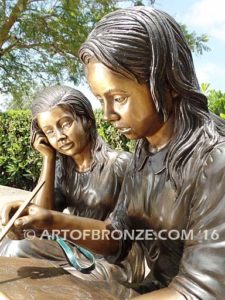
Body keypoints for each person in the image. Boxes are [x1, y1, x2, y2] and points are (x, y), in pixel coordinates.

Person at [1, 6, 225, 299]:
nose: (107, 114)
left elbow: (202, 291)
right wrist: (48, 220)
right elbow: (118, 237)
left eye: (118, 98)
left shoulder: (214, 159)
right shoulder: (144, 151)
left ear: (166, 82)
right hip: (135, 284)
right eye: (101, 100)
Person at [0, 85, 144, 293]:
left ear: (86, 119)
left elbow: (125, 236)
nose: (59, 136)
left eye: (65, 124)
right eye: (49, 131)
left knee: (31, 262)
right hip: (76, 249)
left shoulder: (120, 164)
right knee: (11, 245)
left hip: (113, 259)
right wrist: (48, 159)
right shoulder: (63, 170)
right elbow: (42, 223)